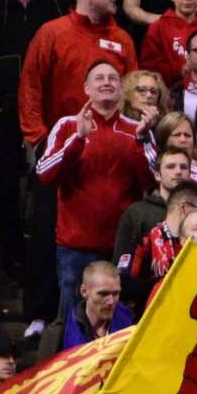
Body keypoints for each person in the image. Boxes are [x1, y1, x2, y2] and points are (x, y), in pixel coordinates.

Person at [35, 60, 151, 319]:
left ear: (121, 89)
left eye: (112, 78)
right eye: (99, 78)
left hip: (121, 248)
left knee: (119, 321)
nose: (106, 82)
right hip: (75, 246)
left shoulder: (136, 130)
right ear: (86, 88)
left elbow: (151, 183)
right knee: (71, 321)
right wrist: (77, 140)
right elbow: (44, 174)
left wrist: (143, 142)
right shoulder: (67, 125)